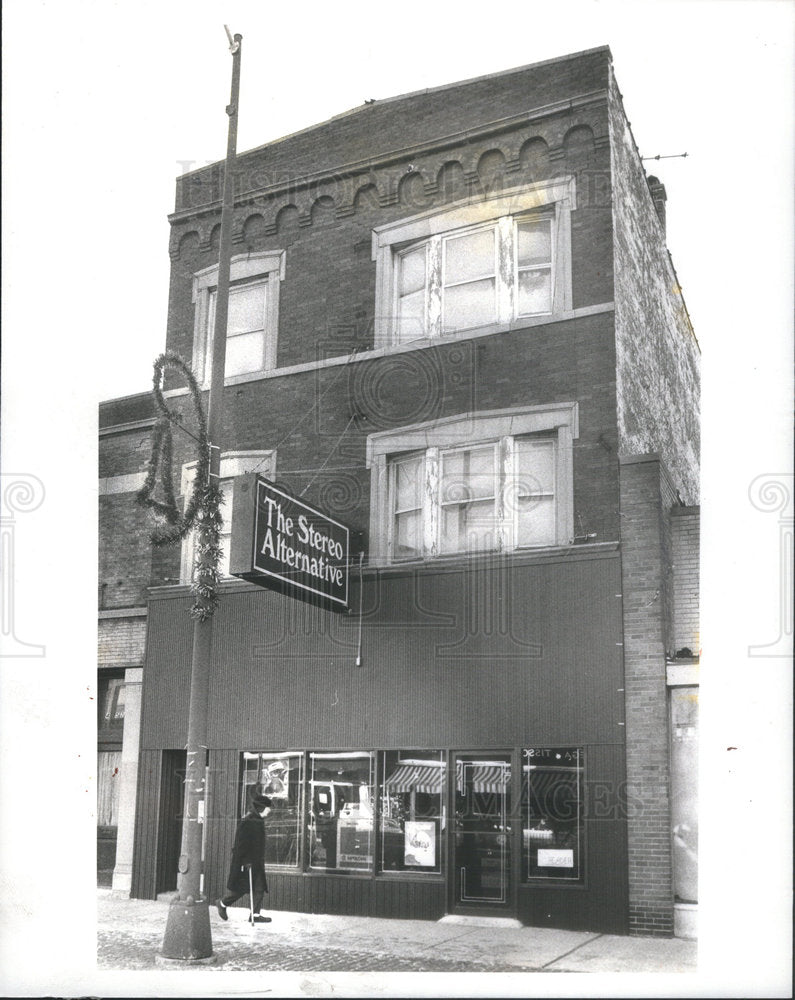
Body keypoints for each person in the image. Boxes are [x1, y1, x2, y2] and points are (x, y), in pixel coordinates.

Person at [215, 791, 273, 924]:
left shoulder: (257, 820)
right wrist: (246, 861)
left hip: (256, 862)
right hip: (246, 863)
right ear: (261, 808)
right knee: (241, 889)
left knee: (259, 888)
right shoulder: (248, 821)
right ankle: (222, 904)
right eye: (268, 808)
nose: (269, 810)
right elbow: (241, 844)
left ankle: (255, 915)